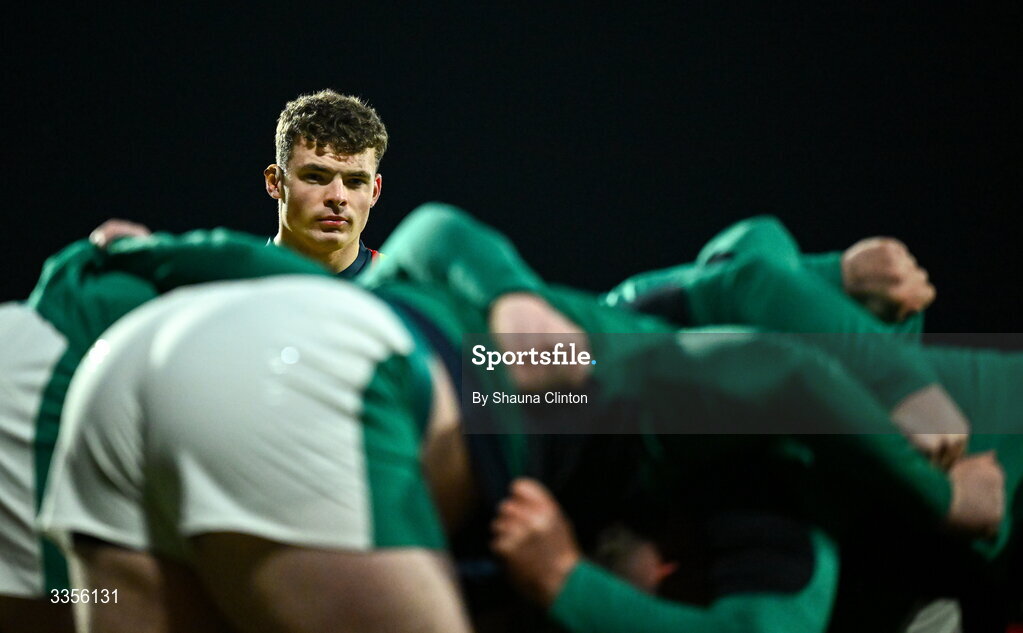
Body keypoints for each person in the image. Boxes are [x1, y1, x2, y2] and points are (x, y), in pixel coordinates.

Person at [264, 89, 387, 278]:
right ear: (275, 182)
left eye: (355, 181)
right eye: (315, 177)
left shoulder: (406, 293)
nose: (337, 197)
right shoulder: (226, 286)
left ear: (374, 192)